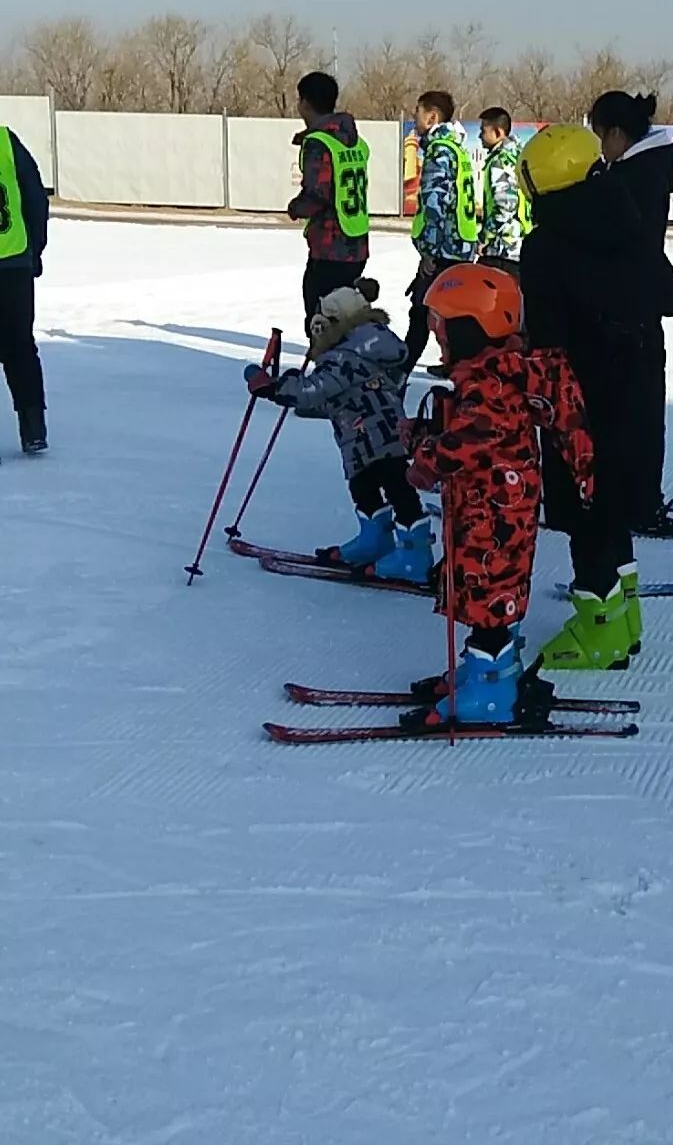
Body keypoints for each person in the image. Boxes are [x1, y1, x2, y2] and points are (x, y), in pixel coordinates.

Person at [519, 125, 673, 671]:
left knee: (583, 513)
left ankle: (597, 629)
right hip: (636, 391)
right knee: (613, 505)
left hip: (577, 403)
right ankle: (625, 618)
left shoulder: (545, 245)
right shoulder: (629, 223)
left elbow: (542, 338)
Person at [402, 264, 593, 726]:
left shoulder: (489, 387)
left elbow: (464, 446)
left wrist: (422, 456)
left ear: (469, 327)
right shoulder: (489, 377)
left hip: (494, 521)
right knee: (488, 600)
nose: (437, 337)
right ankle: (486, 670)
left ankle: (492, 690)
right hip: (488, 514)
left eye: (442, 326)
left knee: (489, 600)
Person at [243, 283, 434, 581]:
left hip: (379, 436)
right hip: (363, 438)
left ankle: (415, 556)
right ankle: (375, 540)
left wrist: (274, 388)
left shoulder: (347, 356)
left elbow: (313, 391)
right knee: (363, 487)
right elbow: (326, 399)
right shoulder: (361, 349)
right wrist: (293, 391)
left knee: (398, 488)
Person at [589, 89, 673, 532]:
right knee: (633, 408)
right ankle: (636, 494)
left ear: (618, 134)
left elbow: (634, 243)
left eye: (600, 138)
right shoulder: (635, 168)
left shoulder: (636, 176)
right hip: (632, 304)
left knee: (637, 411)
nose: (599, 148)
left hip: (633, 307)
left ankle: (640, 501)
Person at [288, 71, 371, 331]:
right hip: (356, 242)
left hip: (330, 246)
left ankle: (329, 369)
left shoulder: (318, 144)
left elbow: (318, 193)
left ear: (304, 102)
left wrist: (295, 207)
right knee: (348, 316)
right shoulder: (353, 139)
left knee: (321, 319)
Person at [404, 91, 478, 373]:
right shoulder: (457, 149)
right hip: (460, 247)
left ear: (432, 117)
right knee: (454, 318)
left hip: (443, 251)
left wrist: (429, 253)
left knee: (422, 313)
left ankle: (398, 375)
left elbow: (436, 204)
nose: (414, 121)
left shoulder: (440, 151)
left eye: (417, 114)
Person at [0, 123, 49, 456]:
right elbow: (35, 199)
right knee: (20, 346)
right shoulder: (6, 141)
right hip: (14, 261)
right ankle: (33, 429)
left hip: (15, 261)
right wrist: (35, 251)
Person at [478, 107, 530, 272]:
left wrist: (486, 238)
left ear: (498, 132)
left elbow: (505, 205)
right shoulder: (519, 156)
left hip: (504, 249)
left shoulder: (500, 161)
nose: (480, 135)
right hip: (521, 243)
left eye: (483, 130)